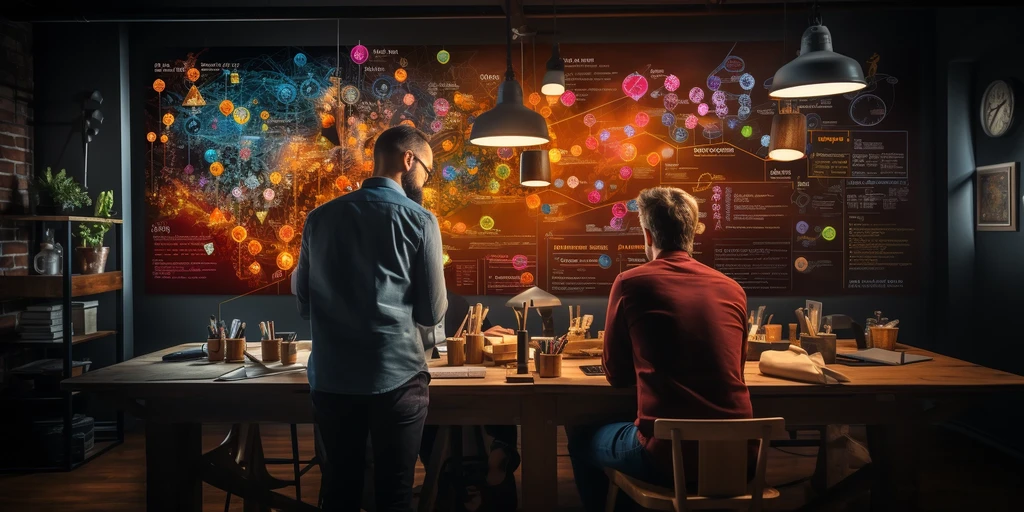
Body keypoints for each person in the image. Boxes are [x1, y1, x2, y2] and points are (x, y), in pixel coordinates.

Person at [566, 187, 753, 512]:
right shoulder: (732, 288)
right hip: (742, 456)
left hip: (668, 458)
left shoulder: (630, 283)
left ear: (648, 234)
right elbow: (737, 367)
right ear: (693, 231)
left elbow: (616, 374)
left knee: (580, 433)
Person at [295, 125, 447, 512]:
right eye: (427, 172)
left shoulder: (318, 218)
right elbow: (432, 313)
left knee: (340, 490)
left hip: (332, 381)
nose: (424, 182)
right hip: (397, 379)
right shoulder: (421, 220)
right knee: (394, 493)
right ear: (408, 159)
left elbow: (304, 301)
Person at [420, 291, 521, 492]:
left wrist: (487, 336)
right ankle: (498, 449)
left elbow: (485, 333)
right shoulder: (402, 304)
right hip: (429, 388)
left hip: (456, 386)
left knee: (498, 393)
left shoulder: (456, 302)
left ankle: (495, 452)